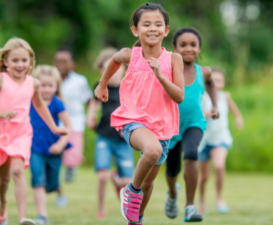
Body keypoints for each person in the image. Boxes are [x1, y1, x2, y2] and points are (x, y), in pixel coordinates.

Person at [95, 3, 184, 225]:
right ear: (136, 30)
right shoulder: (130, 55)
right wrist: (102, 84)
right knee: (152, 152)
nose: (152, 28)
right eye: (146, 24)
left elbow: (179, 96)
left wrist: (162, 76)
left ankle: (136, 220)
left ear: (166, 30)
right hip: (133, 119)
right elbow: (114, 60)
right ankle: (130, 191)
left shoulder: (173, 60)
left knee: (148, 183)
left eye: (158, 24)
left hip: (162, 126)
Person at [0, 37, 67, 225]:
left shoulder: (33, 83)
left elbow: (40, 106)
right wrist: (2, 113)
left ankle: (22, 218)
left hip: (22, 132)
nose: (20, 65)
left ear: (30, 61)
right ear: (5, 62)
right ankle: (2, 203)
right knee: (3, 180)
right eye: (15, 60)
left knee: (18, 171)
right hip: (2, 133)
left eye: (24, 60)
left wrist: (54, 127)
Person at [164, 27, 219, 222]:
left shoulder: (204, 71)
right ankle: (172, 194)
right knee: (172, 170)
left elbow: (211, 83)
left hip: (194, 122)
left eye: (193, 45)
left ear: (200, 48)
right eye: (183, 45)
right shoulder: (168, 69)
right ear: (174, 48)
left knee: (191, 154)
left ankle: (190, 207)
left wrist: (214, 105)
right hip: (170, 125)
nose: (188, 49)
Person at [87, 48, 134, 219]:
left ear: (123, 69)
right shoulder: (100, 87)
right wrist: (90, 116)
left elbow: (135, 111)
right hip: (105, 137)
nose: (113, 72)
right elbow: (94, 105)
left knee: (127, 181)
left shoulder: (129, 88)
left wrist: (129, 128)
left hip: (124, 139)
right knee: (102, 176)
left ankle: (118, 182)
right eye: (108, 68)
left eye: (116, 68)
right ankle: (101, 207)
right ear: (102, 70)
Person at [30, 65, 72, 224]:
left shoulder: (57, 103)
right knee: (37, 177)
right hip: (34, 145)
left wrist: (61, 144)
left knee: (52, 183)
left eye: (50, 85)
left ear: (56, 86)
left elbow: (69, 127)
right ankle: (42, 215)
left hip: (54, 146)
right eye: (42, 85)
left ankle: (55, 189)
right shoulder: (31, 101)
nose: (46, 89)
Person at [198, 68, 243, 214]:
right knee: (204, 176)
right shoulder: (203, 97)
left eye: (220, 81)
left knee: (218, 166)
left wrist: (238, 118)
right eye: (214, 80)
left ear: (223, 83)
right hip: (204, 141)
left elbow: (234, 109)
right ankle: (202, 201)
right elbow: (198, 118)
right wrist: (208, 113)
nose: (217, 84)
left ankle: (219, 198)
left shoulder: (225, 96)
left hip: (220, 139)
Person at [54, 46, 92, 182]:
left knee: (72, 154)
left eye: (65, 61)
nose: (61, 65)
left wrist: (90, 116)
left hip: (75, 122)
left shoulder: (80, 81)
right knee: (55, 152)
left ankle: (71, 168)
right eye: (58, 61)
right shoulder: (51, 80)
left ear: (72, 63)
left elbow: (89, 99)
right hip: (55, 123)